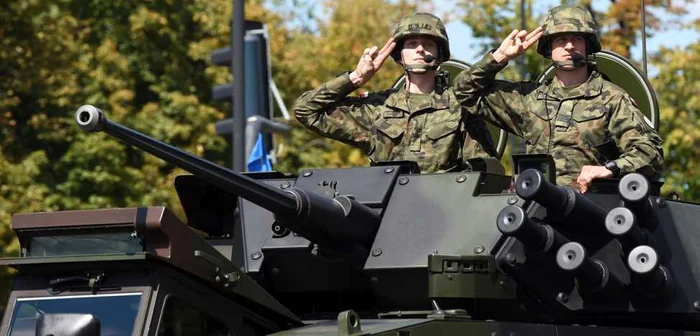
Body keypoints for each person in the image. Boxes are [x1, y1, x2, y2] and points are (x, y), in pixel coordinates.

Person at [454, 5, 663, 192]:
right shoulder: (529, 100)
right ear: (548, 48)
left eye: (577, 39)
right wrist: (499, 57)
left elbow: (650, 154)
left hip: (592, 210)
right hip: (536, 210)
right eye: (561, 39)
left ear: (588, 46)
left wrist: (610, 169)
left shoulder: (611, 98)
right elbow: (464, 91)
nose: (570, 46)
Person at [293, 13, 497, 173]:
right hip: (387, 213)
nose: (419, 49)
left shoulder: (460, 107)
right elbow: (306, 111)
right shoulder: (377, 109)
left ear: (439, 53)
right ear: (399, 54)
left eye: (427, 44)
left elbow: (485, 171)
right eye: (411, 44)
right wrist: (355, 78)